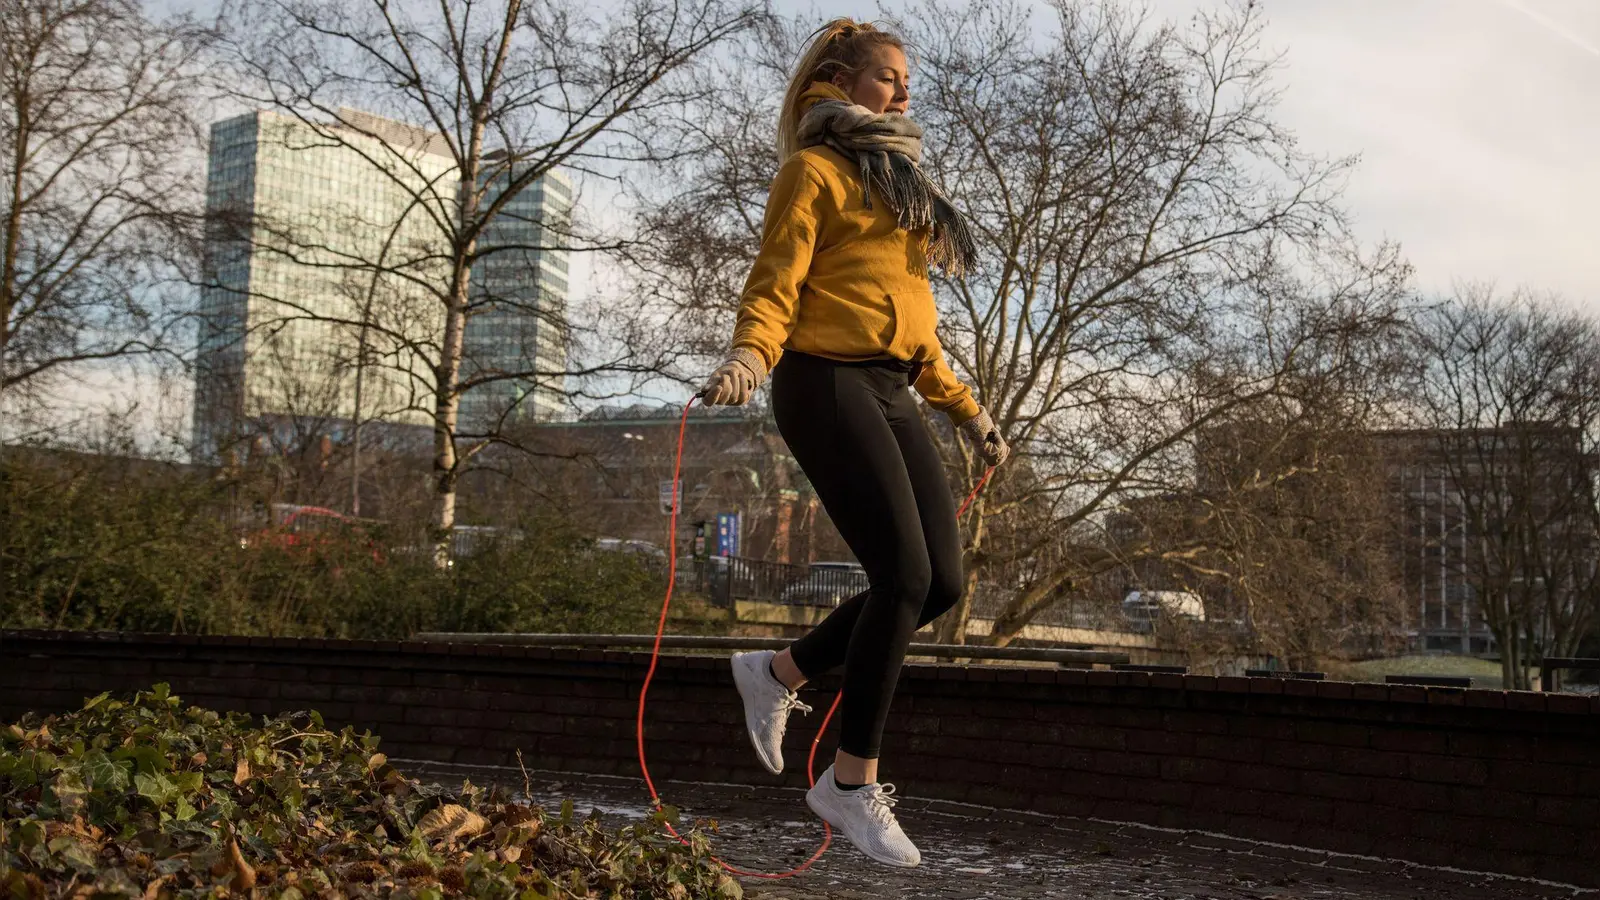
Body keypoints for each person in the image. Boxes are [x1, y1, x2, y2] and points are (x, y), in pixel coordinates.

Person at [700, 17, 1009, 869]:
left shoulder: (900, 184)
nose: (903, 92)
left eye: (907, 80)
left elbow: (916, 327)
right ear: (838, 81)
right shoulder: (814, 171)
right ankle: (848, 782)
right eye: (887, 77)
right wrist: (747, 358)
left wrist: (970, 412)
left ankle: (779, 673)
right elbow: (776, 279)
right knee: (900, 573)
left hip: (893, 383)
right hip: (824, 379)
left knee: (940, 581)